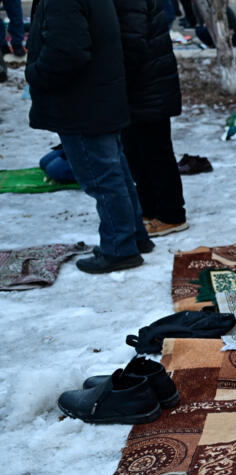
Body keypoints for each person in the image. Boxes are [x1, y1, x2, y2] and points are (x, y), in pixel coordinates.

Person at [26, 0, 154, 273]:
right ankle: (133, 237)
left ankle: (120, 248)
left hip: (83, 103)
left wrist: (35, 73)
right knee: (114, 172)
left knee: (104, 179)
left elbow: (67, 51)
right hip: (97, 98)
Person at [116, 0, 189, 237]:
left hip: (147, 85)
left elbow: (132, 42)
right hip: (141, 86)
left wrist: (115, 77)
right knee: (136, 151)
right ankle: (149, 208)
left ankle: (171, 215)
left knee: (155, 153)